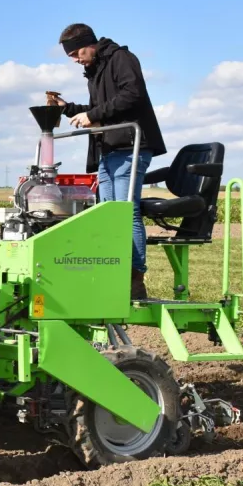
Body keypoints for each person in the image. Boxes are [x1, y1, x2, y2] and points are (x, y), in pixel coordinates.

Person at [49, 23, 166, 300]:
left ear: (91, 44)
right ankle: (112, 271)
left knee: (126, 212)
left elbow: (132, 95)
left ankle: (134, 280)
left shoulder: (121, 59)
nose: (76, 60)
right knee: (107, 213)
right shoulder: (96, 70)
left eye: (77, 53)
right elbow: (100, 109)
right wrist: (69, 109)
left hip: (132, 145)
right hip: (109, 148)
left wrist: (93, 115)